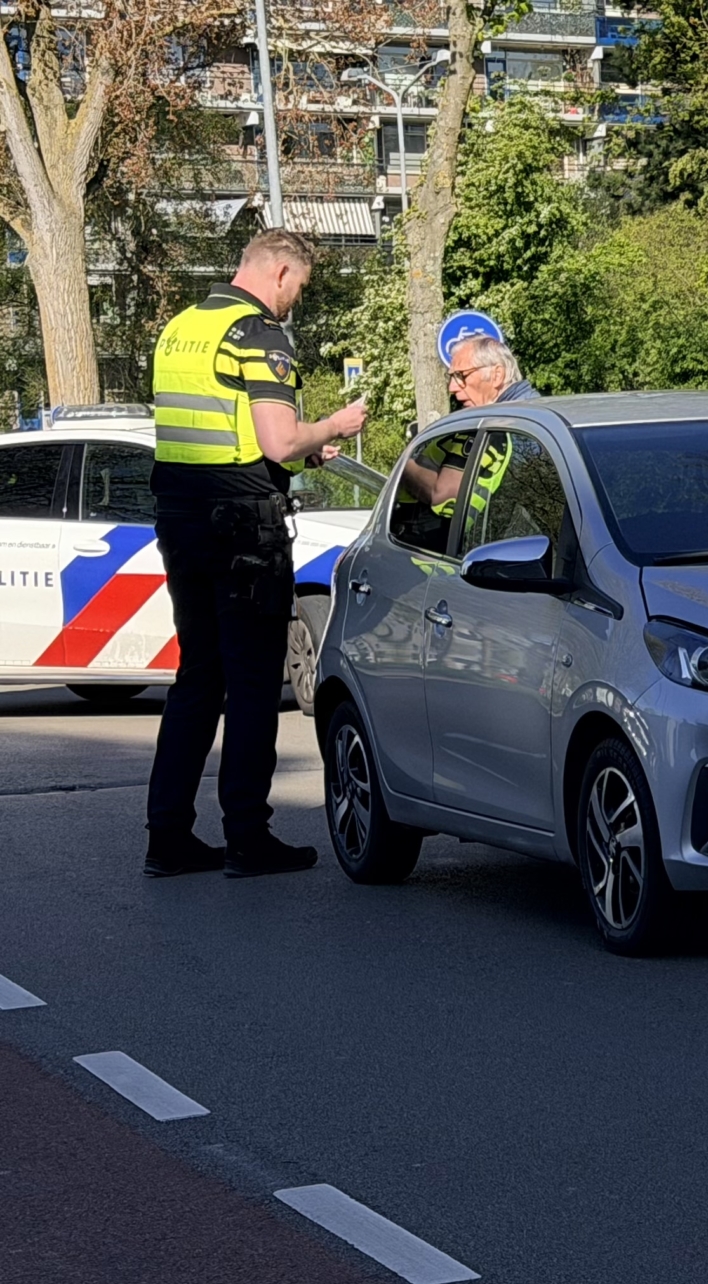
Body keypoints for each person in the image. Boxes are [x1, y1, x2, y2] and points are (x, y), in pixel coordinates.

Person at [143, 229, 366, 879]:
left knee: (198, 676)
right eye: (298, 287)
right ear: (279, 271)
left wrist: (300, 444)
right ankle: (247, 834)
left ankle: (168, 835)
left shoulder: (181, 328)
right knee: (249, 683)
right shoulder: (258, 334)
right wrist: (331, 428)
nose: (295, 302)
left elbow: (219, 426)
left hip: (181, 521)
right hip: (243, 530)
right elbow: (276, 442)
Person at [399, 333, 541, 521]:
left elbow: (445, 497)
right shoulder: (537, 413)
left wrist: (404, 463)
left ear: (497, 375)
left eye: (461, 376)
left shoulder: (506, 427)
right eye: (451, 377)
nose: (452, 388)